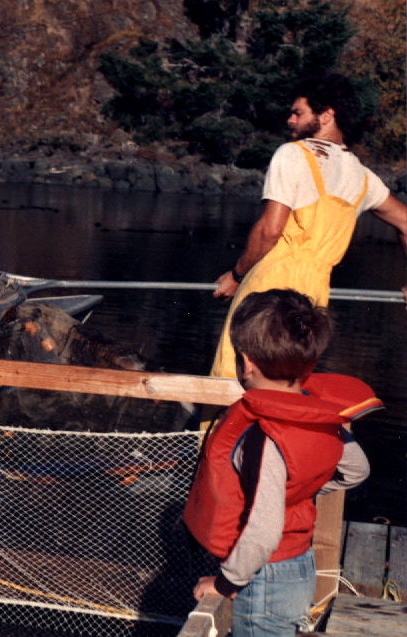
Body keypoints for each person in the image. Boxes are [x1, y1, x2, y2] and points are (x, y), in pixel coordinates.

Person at [184, 289, 381, 637]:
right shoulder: (320, 417)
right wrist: (294, 490)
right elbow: (356, 470)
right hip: (300, 565)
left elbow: (263, 533)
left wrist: (225, 584)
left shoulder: (263, 434)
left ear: (246, 363)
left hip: (264, 580)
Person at [210, 73, 407, 378]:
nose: (290, 120)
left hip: (270, 286)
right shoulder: (363, 176)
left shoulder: (291, 155)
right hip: (315, 295)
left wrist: (237, 275)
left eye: (298, 113)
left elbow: (270, 230)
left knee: (235, 373)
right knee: (287, 379)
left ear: (327, 115)